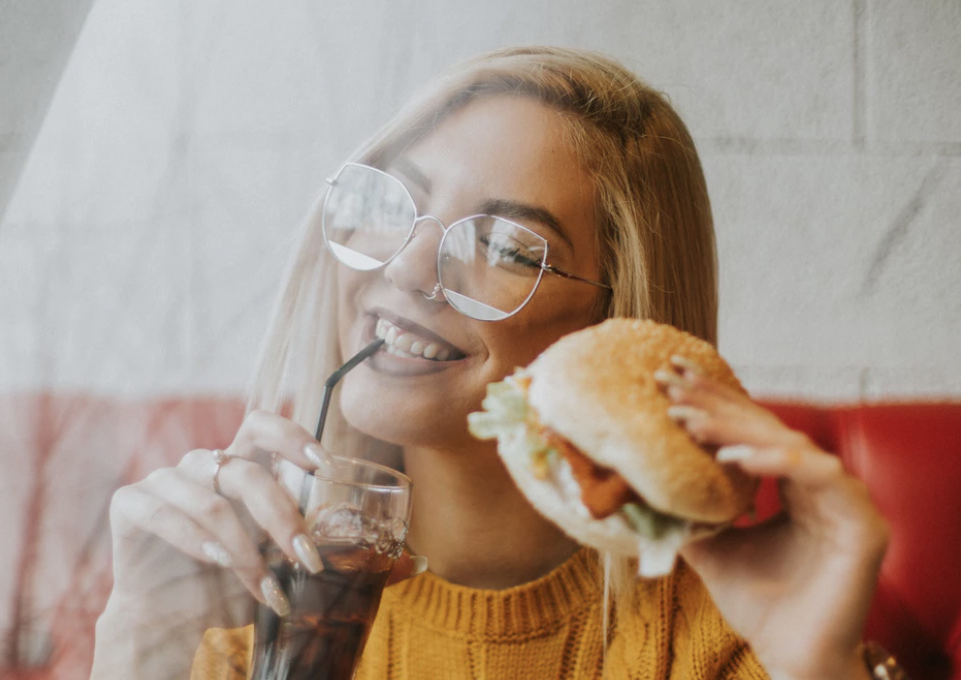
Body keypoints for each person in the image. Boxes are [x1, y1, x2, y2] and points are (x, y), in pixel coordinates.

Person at [91, 46, 891, 679]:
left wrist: (818, 669)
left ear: (614, 323)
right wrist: (139, 643)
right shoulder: (238, 594)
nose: (405, 269)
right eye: (394, 203)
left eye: (507, 247)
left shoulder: (725, 640)